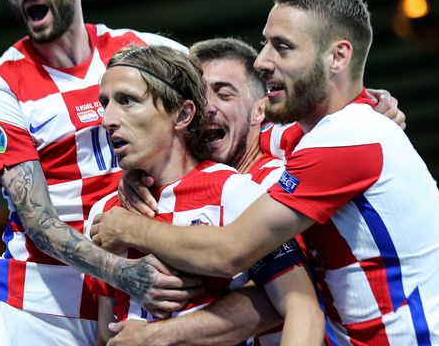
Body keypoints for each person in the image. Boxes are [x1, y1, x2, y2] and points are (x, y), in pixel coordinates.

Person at [91, 0, 439, 345]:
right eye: (265, 44)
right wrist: (142, 169)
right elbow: (251, 133)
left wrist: (128, 227)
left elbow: (229, 252)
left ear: (338, 57)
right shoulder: (312, 134)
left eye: (282, 46)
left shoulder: (348, 137)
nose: (262, 61)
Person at [0, 0, 200, 344]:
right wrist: (123, 273)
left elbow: (226, 110)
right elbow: (38, 221)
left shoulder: (146, 52)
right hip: (38, 310)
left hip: (139, 307)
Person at [104, 38, 405, 346]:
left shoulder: (277, 181)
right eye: (199, 94)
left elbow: (289, 299)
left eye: (223, 93)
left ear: (260, 111)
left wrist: (132, 229)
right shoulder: (141, 191)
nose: (207, 108)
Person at [87, 44, 324, 345]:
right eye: (105, 103)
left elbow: (299, 306)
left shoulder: (240, 191)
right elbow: (106, 333)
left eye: (128, 101)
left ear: (183, 114)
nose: (107, 119)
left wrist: (158, 336)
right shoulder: (105, 213)